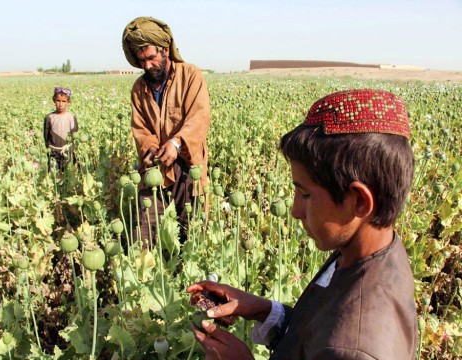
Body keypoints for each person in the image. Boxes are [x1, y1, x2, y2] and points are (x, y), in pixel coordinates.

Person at [187, 89, 418, 359]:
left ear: (358, 202)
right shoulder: (362, 251)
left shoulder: (355, 349)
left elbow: (334, 342)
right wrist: (264, 310)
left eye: (305, 194)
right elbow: (316, 332)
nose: (295, 211)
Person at [122, 17, 210, 244]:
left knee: (190, 235)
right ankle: (148, 275)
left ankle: (190, 276)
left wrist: (176, 142)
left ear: (165, 50)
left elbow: (198, 118)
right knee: (144, 234)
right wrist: (150, 149)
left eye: (151, 58)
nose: (147, 66)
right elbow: (140, 129)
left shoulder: (190, 75)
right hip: (155, 170)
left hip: (188, 168)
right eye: (141, 60)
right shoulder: (139, 89)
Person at [43, 87, 79, 174]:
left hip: (67, 151)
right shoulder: (49, 117)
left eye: (63, 101)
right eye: (58, 101)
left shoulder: (71, 117)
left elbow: (74, 135)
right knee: (54, 175)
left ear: (68, 102)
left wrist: (70, 150)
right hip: (53, 152)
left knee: (69, 174)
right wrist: (49, 150)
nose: (60, 104)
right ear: (54, 101)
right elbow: (46, 137)